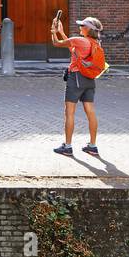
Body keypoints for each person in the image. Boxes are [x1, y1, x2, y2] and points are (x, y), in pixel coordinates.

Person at [50, 15, 107, 157]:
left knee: (69, 112)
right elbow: (74, 50)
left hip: (76, 77)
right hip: (89, 79)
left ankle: (67, 147)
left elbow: (57, 43)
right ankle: (92, 146)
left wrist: (53, 31)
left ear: (88, 29)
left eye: (82, 26)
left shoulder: (79, 40)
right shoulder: (94, 43)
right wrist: (61, 31)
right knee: (90, 112)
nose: (80, 27)